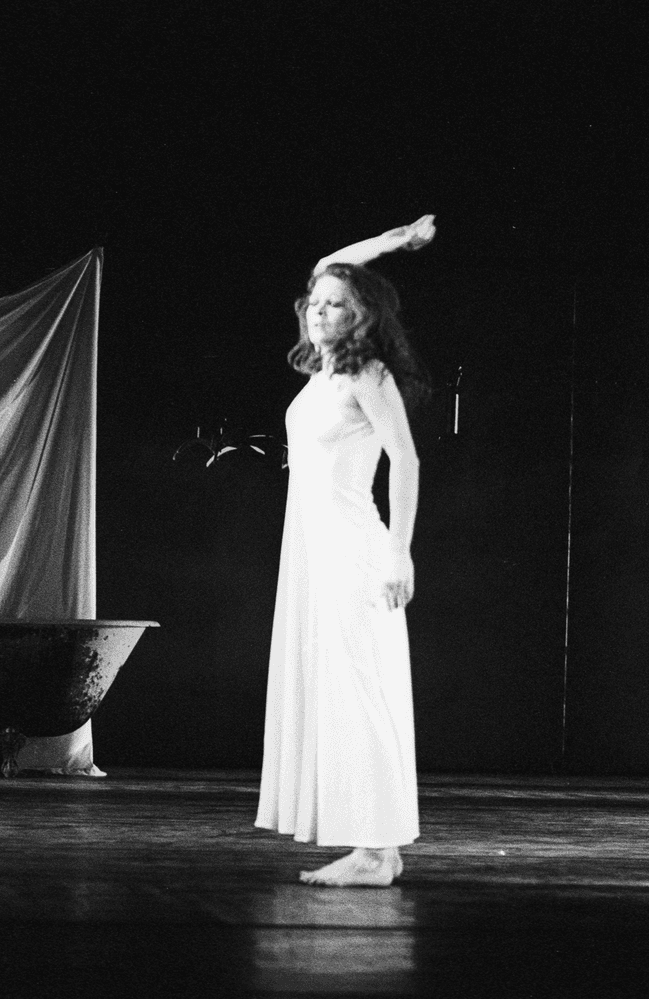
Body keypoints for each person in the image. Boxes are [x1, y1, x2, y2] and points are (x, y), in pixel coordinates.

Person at [255, 214, 436, 885]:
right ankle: (371, 845)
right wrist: (393, 241)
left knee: (361, 688)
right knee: (339, 687)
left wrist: (399, 552)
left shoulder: (369, 374)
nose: (324, 310)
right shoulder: (323, 374)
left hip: (354, 549)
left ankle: (378, 848)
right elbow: (328, 260)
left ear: (361, 316)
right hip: (312, 551)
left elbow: (406, 461)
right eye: (318, 302)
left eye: (340, 303)